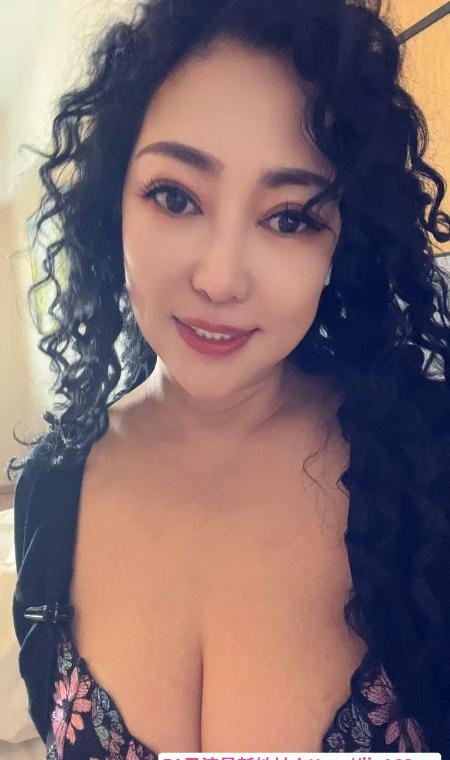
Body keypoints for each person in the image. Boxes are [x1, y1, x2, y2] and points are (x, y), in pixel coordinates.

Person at [9, 0, 450, 756]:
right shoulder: (52, 489)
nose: (220, 279)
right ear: (114, 204)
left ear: (342, 241)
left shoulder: (433, 458)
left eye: (289, 217)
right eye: (175, 197)